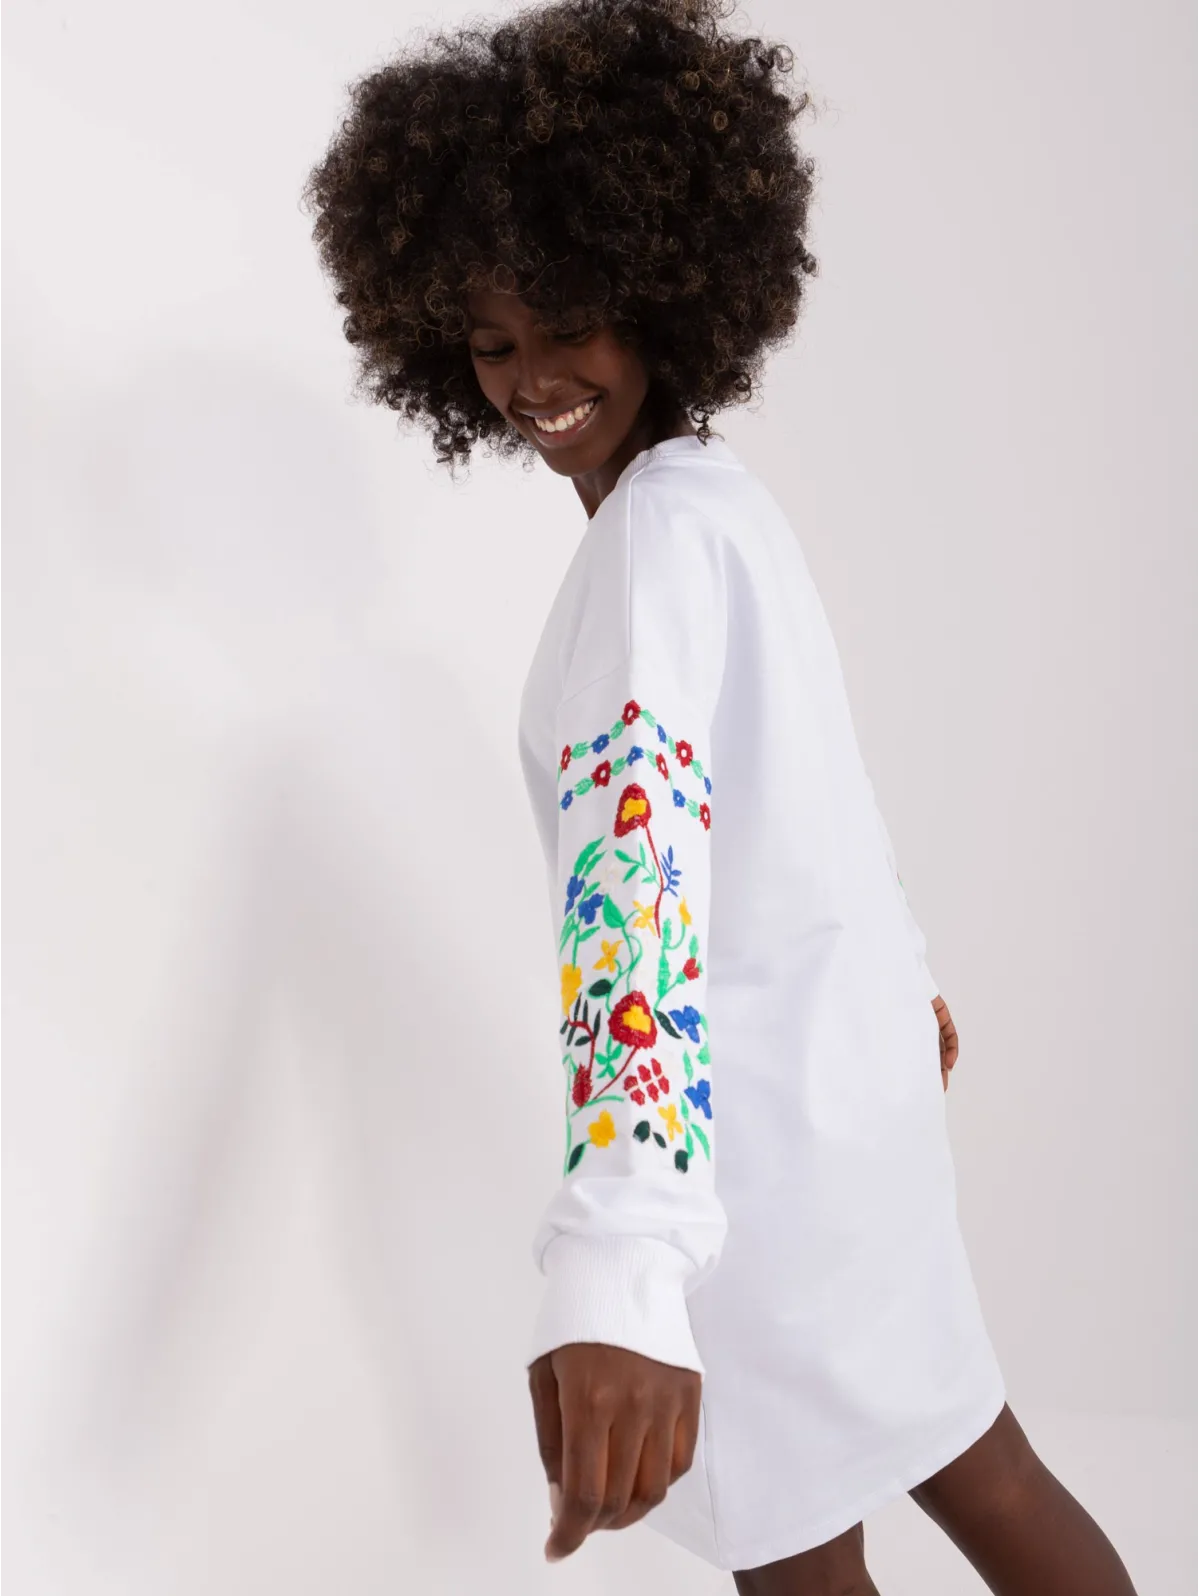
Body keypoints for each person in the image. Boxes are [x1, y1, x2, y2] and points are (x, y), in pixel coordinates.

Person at [301, 1, 1139, 1589]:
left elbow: (636, 889)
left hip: (745, 1166)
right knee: (986, 1467)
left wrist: (620, 1266)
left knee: (804, 1562)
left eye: (567, 324)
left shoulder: (651, 548)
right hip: (846, 1110)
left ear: (663, 294)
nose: (531, 378)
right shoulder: (718, 505)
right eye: (491, 342)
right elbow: (806, 784)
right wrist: (897, 983)